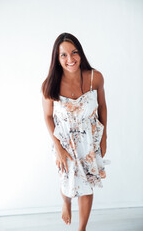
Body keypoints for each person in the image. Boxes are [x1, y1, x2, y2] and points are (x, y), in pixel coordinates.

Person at [41, 32, 110, 231]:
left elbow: (103, 106)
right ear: (57, 58)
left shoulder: (94, 78)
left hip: (90, 140)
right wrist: (58, 147)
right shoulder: (49, 85)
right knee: (67, 180)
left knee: (87, 184)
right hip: (63, 141)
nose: (70, 59)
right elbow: (47, 117)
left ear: (80, 53)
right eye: (63, 55)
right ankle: (66, 202)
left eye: (74, 53)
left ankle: (82, 229)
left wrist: (104, 137)